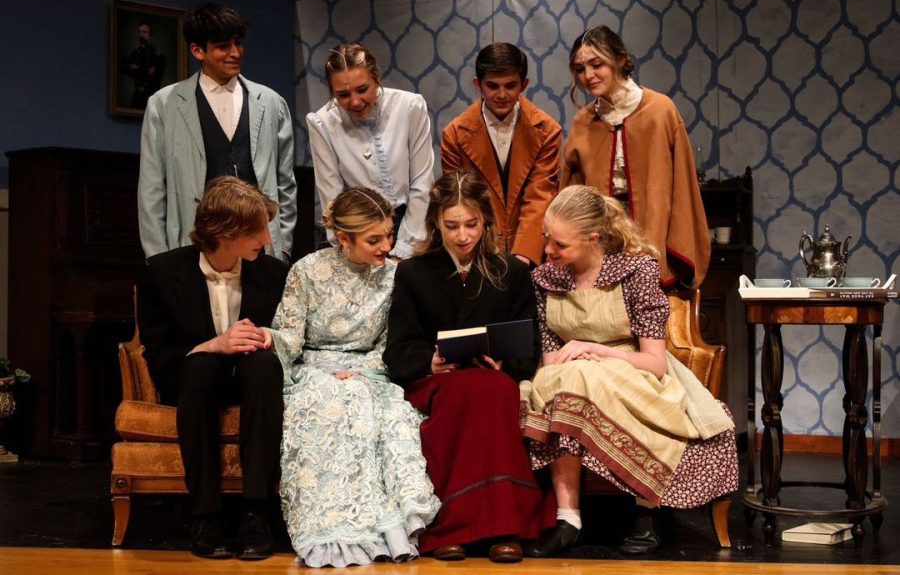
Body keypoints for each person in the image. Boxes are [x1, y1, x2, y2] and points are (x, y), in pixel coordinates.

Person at [520, 185, 738, 557]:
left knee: (575, 382)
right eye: (547, 240)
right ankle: (567, 519)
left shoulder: (635, 271)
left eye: (560, 245)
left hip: (631, 370)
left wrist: (594, 351)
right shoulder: (547, 279)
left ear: (593, 238)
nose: (548, 252)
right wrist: (579, 362)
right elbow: (549, 359)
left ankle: (645, 512)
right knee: (561, 384)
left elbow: (654, 363)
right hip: (567, 373)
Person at [383, 171, 555, 563]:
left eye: (471, 224)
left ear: (486, 222)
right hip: (435, 380)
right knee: (466, 393)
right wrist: (430, 360)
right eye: (452, 225)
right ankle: (453, 524)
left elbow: (527, 344)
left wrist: (504, 361)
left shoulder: (510, 271)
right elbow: (399, 347)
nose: (462, 235)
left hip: (493, 377)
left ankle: (505, 527)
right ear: (435, 224)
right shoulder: (413, 272)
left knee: (493, 390)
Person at [269, 188, 440, 568]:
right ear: (343, 238)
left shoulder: (396, 276)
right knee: (332, 401)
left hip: (371, 369)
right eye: (374, 239)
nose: (386, 246)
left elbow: (393, 341)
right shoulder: (307, 271)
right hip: (315, 369)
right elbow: (290, 336)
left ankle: (390, 530)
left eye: (389, 235)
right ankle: (336, 530)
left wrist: (368, 370)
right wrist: (271, 341)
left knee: (389, 415)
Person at [137, 176, 289, 560]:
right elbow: (158, 355)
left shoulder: (273, 274)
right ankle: (206, 514)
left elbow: (289, 335)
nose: (267, 240)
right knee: (201, 367)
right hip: (193, 382)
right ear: (226, 232)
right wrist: (214, 345)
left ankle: (257, 512)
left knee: (262, 365)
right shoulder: (161, 272)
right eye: (257, 231)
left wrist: (268, 337)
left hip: (253, 383)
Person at [138, 3, 297, 263]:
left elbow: (286, 184)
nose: (235, 53)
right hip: (194, 247)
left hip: (259, 249)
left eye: (238, 43)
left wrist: (282, 248)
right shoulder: (164, 105)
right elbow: (152, 189)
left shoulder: (271, 103)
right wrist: (159, 259)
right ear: (197, 50)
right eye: (224, 46)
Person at [561, 26, 710, 288]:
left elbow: (683, 186)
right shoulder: (583, 122)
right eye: (580, 69)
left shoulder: (660, 111)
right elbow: (571, 194)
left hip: (651, 232)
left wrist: (678, 244)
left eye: (597, 64)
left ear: (620, 60)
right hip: (602, 243)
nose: (588, 75)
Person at [307, 43, 434, 259]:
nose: (355, 101)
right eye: (343, 95)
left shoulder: (410, 106)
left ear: (376, 78)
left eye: (362, 89)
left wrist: (403, 248)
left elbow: (422, 182)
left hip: (412, 224)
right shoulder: (322, 123)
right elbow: (332, 197)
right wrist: (355, 248)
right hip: (355, 232)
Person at [441, 42, 561, 266]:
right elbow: (461, 200)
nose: (502, 94)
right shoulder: (454, 135)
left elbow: (540, 194)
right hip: (477, 251)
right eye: (493, 86)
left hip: (532, 251)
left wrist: (523, 257)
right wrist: (487, 252)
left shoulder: (547, 130)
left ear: (523, 84)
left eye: (510, 85)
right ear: (478, 85)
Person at [125, 21, 166, 109]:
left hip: (151, 96)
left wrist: (138, 69)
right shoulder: (135, 54)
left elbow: (155, 77)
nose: (141, 35)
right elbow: (128, 71)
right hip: (137, 95)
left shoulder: (157, 56)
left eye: (144, 32)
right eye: (139, 32)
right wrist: (146, 71)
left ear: (150, 35)